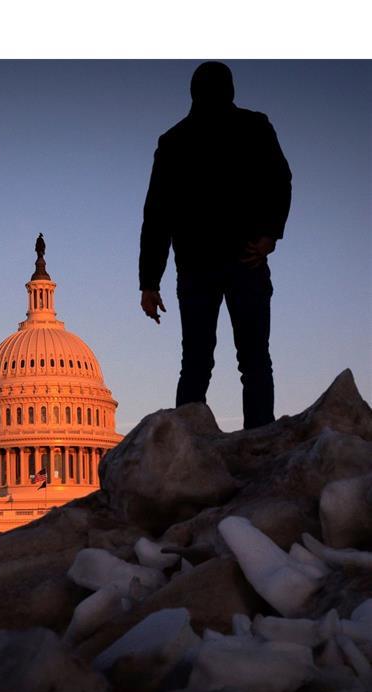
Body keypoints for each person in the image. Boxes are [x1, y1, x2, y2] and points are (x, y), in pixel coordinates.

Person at [139, 61, 292, 429]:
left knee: (197, 362)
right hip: (242, 259)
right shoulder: (253, 126)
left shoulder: (174, 141)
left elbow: (156, 216)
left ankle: (189, 443)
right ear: (231, 91)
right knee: (253, 360)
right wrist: (270, 235)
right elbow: (281, 181)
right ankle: (258, 440)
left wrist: (149, 282)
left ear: (193, 93)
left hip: (199, 266)